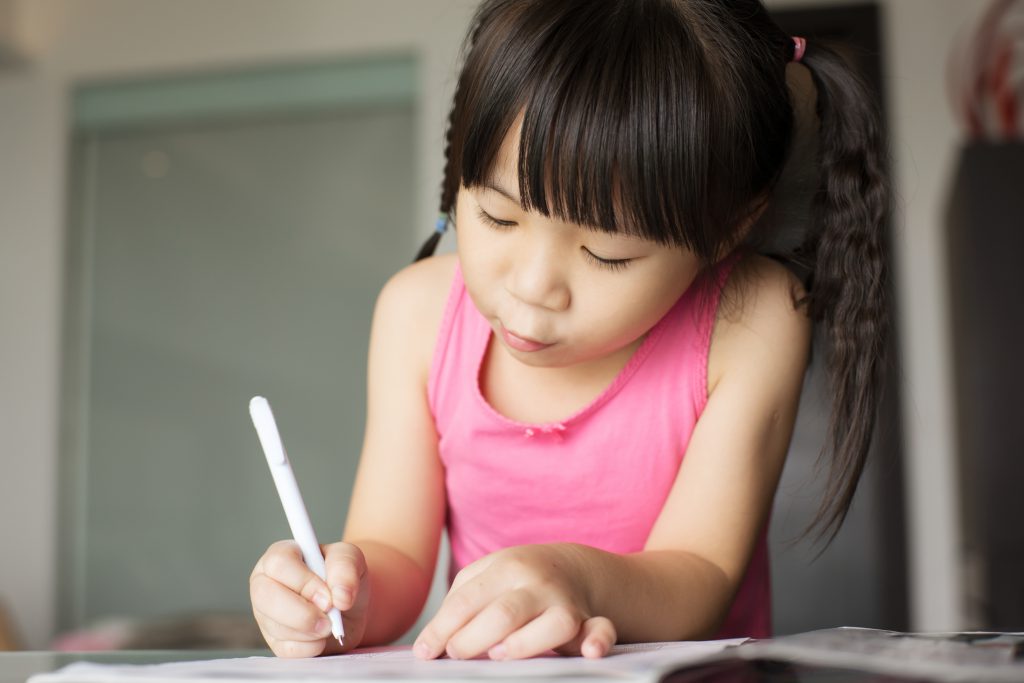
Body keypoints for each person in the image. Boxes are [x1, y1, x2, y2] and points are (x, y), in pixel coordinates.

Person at [249, 0, 891, 662]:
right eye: (498, 217)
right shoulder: (415, 315)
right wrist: (339, 598)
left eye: (607, 256)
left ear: (729, 226)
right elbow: (396, 558)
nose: (531, 289)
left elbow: (701, 572)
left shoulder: (755, 318)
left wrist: (576, 578)